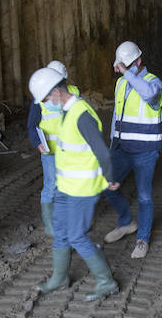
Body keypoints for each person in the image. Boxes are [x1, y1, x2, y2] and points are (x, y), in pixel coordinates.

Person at [28, 67, 118, 301]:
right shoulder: (67, 112)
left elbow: (103, 153)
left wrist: (109, 178)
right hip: (66, 187)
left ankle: (107, 282)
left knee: (77, 236)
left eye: (47, 98)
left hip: (82, 189)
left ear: (57, 91)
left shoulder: (81, 114)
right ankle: (60, 279)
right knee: (60, 233)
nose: (46, 103)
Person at [103, 40, 162, 259]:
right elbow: (117, 116)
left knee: (144, 196)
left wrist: (127, 73)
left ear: (139, 61)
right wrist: (112, 146)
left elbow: (148, 95)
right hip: (121, 149)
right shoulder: (121, 84)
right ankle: (126, 223)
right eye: (123, 66)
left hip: (146, 151)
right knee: (106, 185)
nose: (124, 70)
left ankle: (143, 239)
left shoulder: (154, 82)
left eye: (128, 65)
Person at [27, 60, 78, 236]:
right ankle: (50, 224)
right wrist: (37, 143)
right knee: (51, 186)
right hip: (50, 151)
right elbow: (32, 125)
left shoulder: (74, 94)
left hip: (71, 150)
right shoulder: (39, 100)